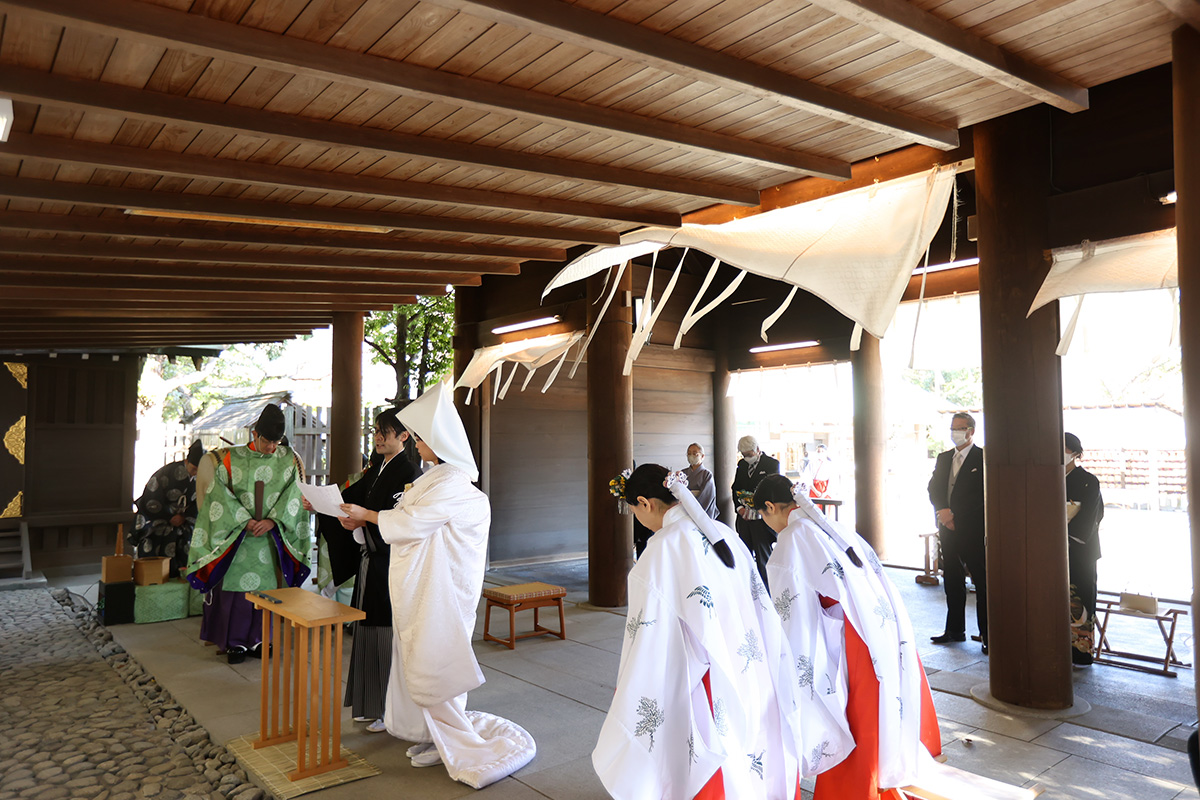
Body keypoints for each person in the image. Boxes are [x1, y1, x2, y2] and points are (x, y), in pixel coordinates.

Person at [339, 381, 534, 789]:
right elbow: (408, 519)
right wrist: (364, 518)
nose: (419, 444)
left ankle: (450, 736)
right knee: (420, 660)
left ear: (439, 442)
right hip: (427, 587)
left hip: (442, 591)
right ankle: (430, 733)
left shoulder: (451, 484)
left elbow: (410, 523)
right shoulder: (436, 478)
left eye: (424, 438)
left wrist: (368, 516)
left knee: (437, 662)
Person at [595, 463, 831, 799]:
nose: (637, 516)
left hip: (698, 669)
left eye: (635, 509)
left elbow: (649, 631)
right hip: (745, 657)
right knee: (743, 748)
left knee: (703, 757)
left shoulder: (663, 546)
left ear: (645, 503)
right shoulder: (723, 534)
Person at [757, 475, 943, 799]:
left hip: (848, 643)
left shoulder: (792, 538)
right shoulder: (828, 526)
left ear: (770, 507)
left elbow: (793, 617)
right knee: (876, 723)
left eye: (763, 514)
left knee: (854, 728)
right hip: (876, 629)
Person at [306, 408, 422, 730]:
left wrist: (362, 517)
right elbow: (349, 499)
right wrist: (319, 503)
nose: (378, 437)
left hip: (391, 565)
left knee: (386, 634)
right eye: (376, 431)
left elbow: (397, 521)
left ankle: (388, 707)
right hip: (371, 562)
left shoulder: (409, 472)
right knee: (367, 631)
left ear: (404, 436)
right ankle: (371, 703)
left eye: (385, 432)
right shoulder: (376, 469)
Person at [186, 405, 311, 664]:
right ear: (255, 434)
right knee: (236, 594)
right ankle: (235, 643)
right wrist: (243, 521)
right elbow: (218, 496)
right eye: (267, 441)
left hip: (269, 539)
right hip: (238, 537)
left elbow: (294, 494)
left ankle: (261, 639)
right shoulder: (228, 459)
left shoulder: (288, 459)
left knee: (266, 592)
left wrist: (273, 521)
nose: (271, 448)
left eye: (276, 442)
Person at [927, 412, 988, 653]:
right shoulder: (944, 458)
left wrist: (956, 516)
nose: (955, 433)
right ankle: (954, 629)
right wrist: (942, 511)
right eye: (953, 428)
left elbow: (982, 496)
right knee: (951, 579)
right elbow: (933, 487)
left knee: (982, 582)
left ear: (971, 431)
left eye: (960, 428)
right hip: (947, 528)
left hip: (972, 530)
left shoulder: (983, 459)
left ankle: (987, 634)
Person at [132, 439, 204, 575]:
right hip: (160, 521)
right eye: (193, 468)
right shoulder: (166, 473)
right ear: (187, 461)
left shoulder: (202, 477)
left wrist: (184, 517)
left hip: (184, 523)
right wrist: (170, 516)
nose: (195, 473)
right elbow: (152, 497)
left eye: (198, 470)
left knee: (187, 555)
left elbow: (202, 502)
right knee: (154, 557)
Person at [1065, 432, 1104, 667]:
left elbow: (1093, 514)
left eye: (1064, 448)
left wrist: (1069, 535)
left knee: (1080, 598)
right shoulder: (1046, 477)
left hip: (1079, 548)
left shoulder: (1088, 480)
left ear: (1076, 453)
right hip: (1050, 550)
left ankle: (1081, 651)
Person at [731, 435, 782, 587]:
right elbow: (735, 488)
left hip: (762, 520)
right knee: (744, 556)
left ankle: (767, 590)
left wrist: (758, 508)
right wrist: (739, 508)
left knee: (763, 557)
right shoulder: (742, 465)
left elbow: (774, 489)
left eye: (749, 454)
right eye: (744, 454)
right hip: (744, 519)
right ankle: (748, 588)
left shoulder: (772, 464)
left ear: (757, 449)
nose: (746, 457)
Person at [683, 442, 718, 519]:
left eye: (694, 453)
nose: (691, 455)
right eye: (689, 453)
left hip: (700, 513)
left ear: (702, 456)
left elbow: (707, 497)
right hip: (684, 511)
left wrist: (693, 511)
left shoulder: (707, 474)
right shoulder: (682, 473)